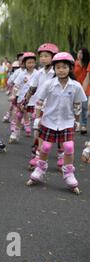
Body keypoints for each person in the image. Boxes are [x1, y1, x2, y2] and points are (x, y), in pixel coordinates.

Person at [27, 52, 86, 195]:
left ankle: (69, 173)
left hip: (67, 121)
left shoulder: (76, 86)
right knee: (45, 147)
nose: (61, 70)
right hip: (49, 121)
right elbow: (40, 102)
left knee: (69, 146)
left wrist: (77, 122)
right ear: (54, 68)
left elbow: (77, 105)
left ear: (70, 68)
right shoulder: (49, 84)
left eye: (64, 67)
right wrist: (37, 118)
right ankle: (40, 169)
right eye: (58, 67)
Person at [22, 43, 59, 170]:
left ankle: (61, 158)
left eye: (46, 56)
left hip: (55, 108)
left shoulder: (57, 72)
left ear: (53, 57)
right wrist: (25, 100)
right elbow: (32, 88)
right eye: (41, 56)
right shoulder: (39, 73)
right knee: (37, 131)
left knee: (59, 133)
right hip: (40, 107)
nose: (43, 58)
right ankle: (37, 156)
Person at [9, 52, 38, 143]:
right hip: (22, 99)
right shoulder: (22, 74)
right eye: (28, 62)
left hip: (35, 99)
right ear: (24, 63)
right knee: (19, 115)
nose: (31, 64)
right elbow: (16, 85)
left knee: (35, 116)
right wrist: (14, 94)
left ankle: (36, 137)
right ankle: (15, 134)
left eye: (32, 62)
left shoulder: (38, 73)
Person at [74, 48, 90, 134]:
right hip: (75, 88)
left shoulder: (88, 64)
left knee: (84, 107)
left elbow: (88, 78)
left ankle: (83, 125)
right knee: (75, 106)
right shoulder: (74, 63)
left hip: (86, 88)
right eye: (78, 53)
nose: (79, 55)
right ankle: (76, 124)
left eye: (82, 53)